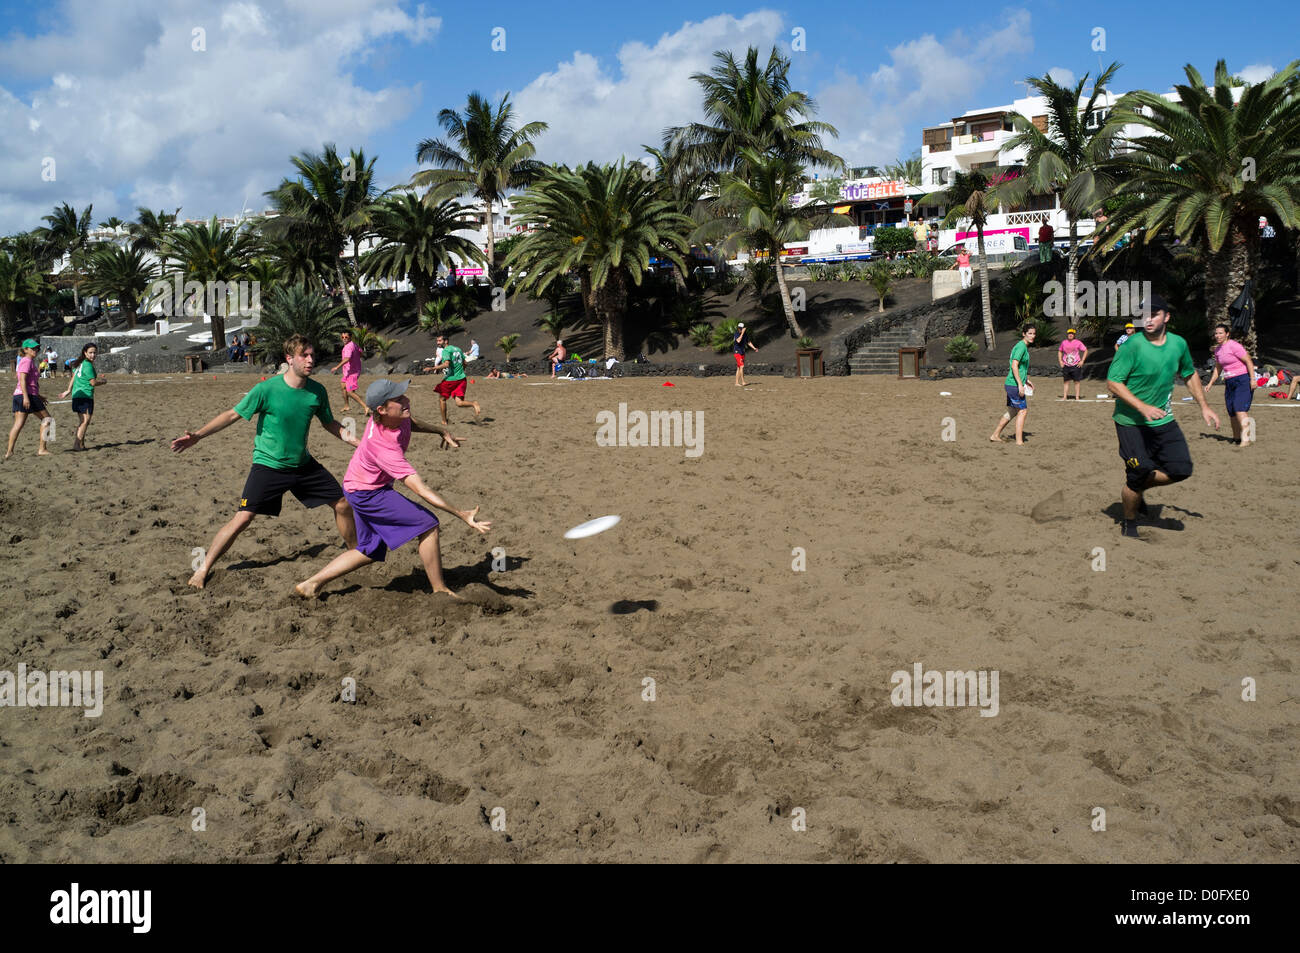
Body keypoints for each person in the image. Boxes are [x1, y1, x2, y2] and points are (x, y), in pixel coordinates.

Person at [171, 334, 360, 589]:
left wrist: (358, 443)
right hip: (268, 466)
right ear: (289, 358)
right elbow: (231, 414)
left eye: (312, 355)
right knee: (243, 518)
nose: (310, 360)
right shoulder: (267, 389)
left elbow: (330, 424)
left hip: (302, 465)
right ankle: (203, 568)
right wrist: (199, 436)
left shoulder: (317, 392)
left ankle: (354, 553)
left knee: (342, 503)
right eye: (304, 355)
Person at [294, 379, 488, 599]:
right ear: (382, 410)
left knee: (369, 550)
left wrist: (440, 431)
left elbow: (412, 422)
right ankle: (440, 590)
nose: (406, 401)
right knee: (428, 524)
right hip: (367, 493)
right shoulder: (383, 446)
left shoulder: (396, 417)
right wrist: (462, 514)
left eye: (403, 395)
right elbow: (421, 490)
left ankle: (311, 584)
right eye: (398, 399)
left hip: (356, 486)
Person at [1106, 293, 1219, 539]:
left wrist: (1204, 406)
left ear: (1166, 316)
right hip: (1130, 422)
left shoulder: (1178, 344)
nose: (1147, 319)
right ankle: (1130, 521)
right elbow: (1113, 383)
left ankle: (1140, 487)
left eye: (1153, 314)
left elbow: (1189, 375)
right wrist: (1142, 407)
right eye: (1143, 315)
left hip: (1163, 420)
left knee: (1181, 469)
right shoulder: (1132, 346)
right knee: (1138, 473)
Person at [1205, 323, 1257, 445]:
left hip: (1242, 380)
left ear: (1227, 334)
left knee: (1239, 408)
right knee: (1232, 411)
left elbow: (1249, 361)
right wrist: (1210, 383)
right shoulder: (1217, 350)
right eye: (1216, 333)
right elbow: (1218, 368)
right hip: (1229, 381)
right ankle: (1236, 438)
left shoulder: (1234, 346)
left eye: (1220, 333)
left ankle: (1246, 439)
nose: (1217, 335)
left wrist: (1253, 379)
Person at [5, 339, 51, 459]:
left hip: (22, 395)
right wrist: (26, 397)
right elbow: (22, 380)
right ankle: (42, 449)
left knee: (18, 424)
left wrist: (39, 396)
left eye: (37, 348)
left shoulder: (29, 361)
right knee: (48, 420)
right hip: (26, 395)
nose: (36, 350)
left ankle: (9, 452)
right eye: (33, 348)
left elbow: (30, 382)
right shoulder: (27, 361)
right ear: (25, 350)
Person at [990, 325, 1035, 444]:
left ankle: (995, 435)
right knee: (1022, 411)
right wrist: (1020, 384)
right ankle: (1019, 441)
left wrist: (1026, 380)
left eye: (1034, 334)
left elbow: (1019, 368)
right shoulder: (1021, 347)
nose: (1032, 336)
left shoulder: (1022, 347)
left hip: (1012, 383)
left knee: (1012, 411)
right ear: (1024, 334)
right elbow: (1014, 365)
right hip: (1014, 385)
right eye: (1030, 333)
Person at [58, 343, 105, 451]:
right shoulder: (88, 365)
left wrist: (68, 390)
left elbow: (73, 377)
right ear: (85, 353)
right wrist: (103, 382)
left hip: (77, 395)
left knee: (83, 421)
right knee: (84, 421)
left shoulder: (80, 363)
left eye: (94, 352)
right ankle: (76, 445)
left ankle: (81, 445)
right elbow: (93, 383)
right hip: (85, 396)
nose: (93, 355)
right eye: (90, 352)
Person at [432, 333, 480, 425]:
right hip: (462, 379)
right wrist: (461, 371)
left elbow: (446, 364)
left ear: (446, 341)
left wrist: (433, 368)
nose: (438, 343)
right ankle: (473, 403)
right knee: (459, 403)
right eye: (437, 341)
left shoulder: (446, 350)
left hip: (451, 380)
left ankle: (444, 421)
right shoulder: (458, 349)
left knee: (442, 399)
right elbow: (465, 363)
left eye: (439, 341)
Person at [330, 329, 367, 414]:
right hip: (350, 371)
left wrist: (337, 367)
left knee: (350, 392)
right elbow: (361, 352)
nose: (344, 339)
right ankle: (346, 406)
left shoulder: (348, 347)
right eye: (342, 337)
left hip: (352, 372)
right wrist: (356, 359)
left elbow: (347, 359)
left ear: (350, 337)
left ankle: (365, 406)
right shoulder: (354, 344)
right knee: (343, 386)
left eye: (346, 337)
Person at [1057, 328, 1088, 400]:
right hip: (1066, 365)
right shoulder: (1064, 342)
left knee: (1077, 382)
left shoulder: (1078, 342)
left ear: (1074, 335)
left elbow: (1085, 350)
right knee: (1066, 382)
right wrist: (1060, 361)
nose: (1070, 335)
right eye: (1069, 333)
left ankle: (1077, 397)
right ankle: (1065, 396)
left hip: (1076, 365)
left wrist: (1082, 361)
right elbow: (1060, 351)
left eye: (1072, 333)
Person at [734, 322, 758, 387]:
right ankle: (743, 382)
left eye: (741, 328)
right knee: (742, 366)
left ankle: (736, 383)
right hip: (737, 352)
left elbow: (748, 342)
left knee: (739, 367)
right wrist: (742, 333)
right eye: (739, 328)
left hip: (742, 352)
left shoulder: (745, 334)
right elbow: (738, 341)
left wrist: (754, 348)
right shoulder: (736, 334)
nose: (740, 329)